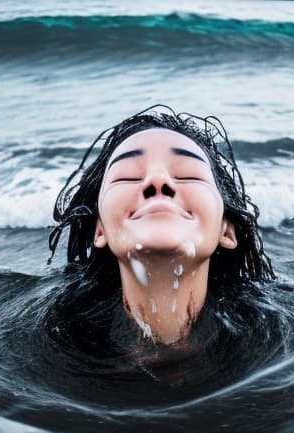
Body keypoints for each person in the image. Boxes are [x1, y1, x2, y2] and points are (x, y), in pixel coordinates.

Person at [48, 105, 275, 352]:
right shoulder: (51, 341)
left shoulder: (275, 339)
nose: (157, 180)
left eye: (188, 175)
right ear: (99, 230)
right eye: (128, 177)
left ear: (226, 231)